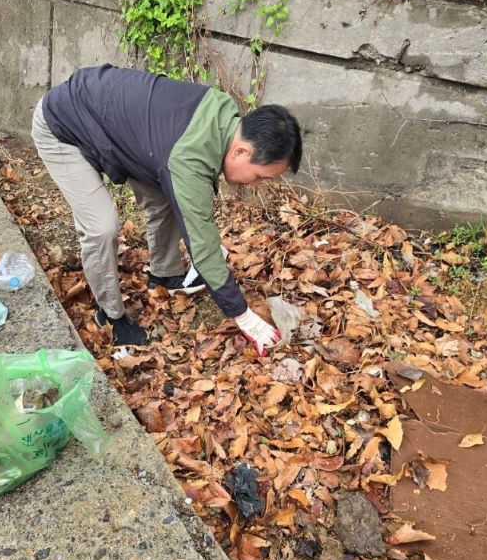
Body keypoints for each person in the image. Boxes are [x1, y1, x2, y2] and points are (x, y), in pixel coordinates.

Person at [31, 64, 302, 354]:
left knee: (164, 197)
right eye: (260, 176)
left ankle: (163, 273)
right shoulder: (190, 158)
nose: (256, 185)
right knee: (102, 226)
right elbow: (203, 243)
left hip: (107, 119)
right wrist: (243, 315)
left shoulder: (223, 113)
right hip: (61, 124)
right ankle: (108, 315)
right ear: (241, 151)